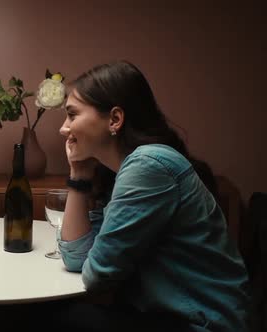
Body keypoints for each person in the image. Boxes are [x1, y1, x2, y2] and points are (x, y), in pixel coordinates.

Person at [55, 60, 250, 331]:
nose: (64, 129)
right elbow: (77, 259)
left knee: (57, 317)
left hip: (200, 323)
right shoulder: (124, 172)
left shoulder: (149, 166)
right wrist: (78, 174)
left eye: (72, 115)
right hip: (164, 317)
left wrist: (94, 260)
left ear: (115, 119)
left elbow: (97, 276)